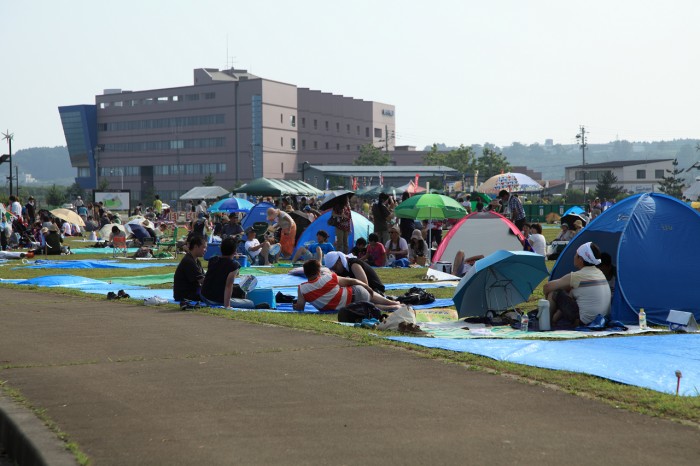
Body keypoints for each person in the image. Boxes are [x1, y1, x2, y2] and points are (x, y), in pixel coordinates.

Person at [543, 242, 611, 326]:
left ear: (581, 259)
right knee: (571, 292)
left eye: (576, 254)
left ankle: (546, 325)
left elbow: (547, 287)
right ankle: (554, 320)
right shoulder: (600, 273)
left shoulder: (577, 276)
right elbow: (571, 295)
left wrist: (547, 299)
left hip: (584, 323)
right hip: (602, 320)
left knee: (554, 293)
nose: (574, 256)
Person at [293, 259, 400, 312]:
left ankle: (393, 306)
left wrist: (295, 306)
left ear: (305, 273)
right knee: (363, 295)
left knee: (367, 305)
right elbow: (352, 281)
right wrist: (367, 287)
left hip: (347, 307)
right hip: (356, 294)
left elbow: (300, 307)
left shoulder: (302, 289)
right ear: (318, 272)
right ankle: (393, 304)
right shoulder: (329, 277)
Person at [200, 237, 256, 309]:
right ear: (235, 251)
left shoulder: (212, 260)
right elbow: (228, 286)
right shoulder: (233, 265)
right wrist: (227, 305)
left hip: (204, 296)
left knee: (238, 289)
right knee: (250, 303)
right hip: (215, 300)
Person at [173, 234, 207, 303]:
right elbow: (203, 281)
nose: (205, 250)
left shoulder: (196, 260)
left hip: (191, 292)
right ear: (196, 247)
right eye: (204, 247)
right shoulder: (188, 261)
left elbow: (203, 278)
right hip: (185, 295)